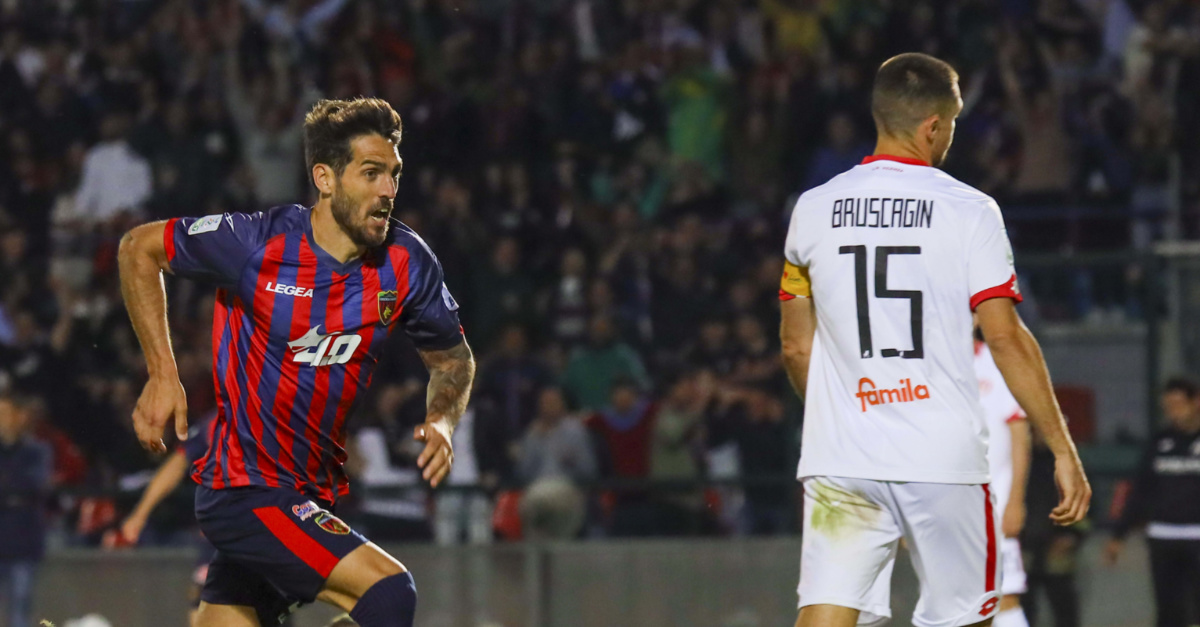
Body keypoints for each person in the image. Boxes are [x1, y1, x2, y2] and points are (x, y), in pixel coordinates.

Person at [117, 97, 476, 627]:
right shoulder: (257, 243)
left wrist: (442, 419)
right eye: (371, 173)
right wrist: (162, 373)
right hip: (246, 491)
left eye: (394, 174)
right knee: (389, 592)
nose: (388, 190)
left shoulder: (407, 263)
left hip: (308, 493)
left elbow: (452, 360)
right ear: (325, 178)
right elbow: (137, 248)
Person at [778, 53, 1090, 627]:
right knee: (965, 618)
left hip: (842, 456)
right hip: (940, 459)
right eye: (953, 124)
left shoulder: (812, 210)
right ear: (933, 126)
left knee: (824, 613)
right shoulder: (970, 210)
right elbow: (1004, 337)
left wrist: (838, 416)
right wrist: (1063, 448)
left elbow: (796, 347)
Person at [1105, 377, 1200, 627]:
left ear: (1196, 402)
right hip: (1163, 535)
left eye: (1178, 405)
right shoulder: (1159, 442)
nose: (1173, 412)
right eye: (1168, 407)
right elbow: (1140, 490)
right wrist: (1118, 535)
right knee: (1168, 610)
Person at [974, 334, 1032, 627]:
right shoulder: (926, 361)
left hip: (995, 504)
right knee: (953, 601)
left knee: (1004, 596)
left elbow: (1020, 434)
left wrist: (1015, 502)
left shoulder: (997, 361)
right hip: (944, 506)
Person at [0, 392, 52, 627]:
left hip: (23, 542)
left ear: (19, 416)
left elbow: (35, 484)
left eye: (4, 413)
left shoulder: (37, 450)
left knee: (20, 609)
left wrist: (11, 486)